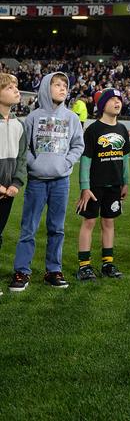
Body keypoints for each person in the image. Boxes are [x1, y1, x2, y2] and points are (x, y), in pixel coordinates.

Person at [10, 72, 84, 291]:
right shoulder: (32, 118)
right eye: (57, 85)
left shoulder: (71, 117)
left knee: (57, 228)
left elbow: (78, 146)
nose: (63, 89)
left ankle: (53, 270)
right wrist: (35, 165)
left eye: (65, 85)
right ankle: (22, 271)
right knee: (28, 228)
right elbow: (25, 150)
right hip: (36, 182)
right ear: (44, 88)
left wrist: (66, 163)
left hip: (61, 182)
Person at [75, 88, 130, 281]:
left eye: (119, 99)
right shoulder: (93, 130)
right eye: (112, 99)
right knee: (89, 221)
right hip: (94, 186)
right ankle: (84, 266)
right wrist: (85, 186)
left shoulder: (122, 129)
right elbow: (85, 160)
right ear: (102, 105)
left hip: (115, 185)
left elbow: (125, 159)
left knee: (109, 222)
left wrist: (125, 182)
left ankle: (107, 263)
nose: (117, 102)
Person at [0, 74, 27, 297]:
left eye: (16, 87)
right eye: (9, 87)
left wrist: (16, 183)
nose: (16, 91)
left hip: (8, 191)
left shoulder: (19, 124)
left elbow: (22, 157)